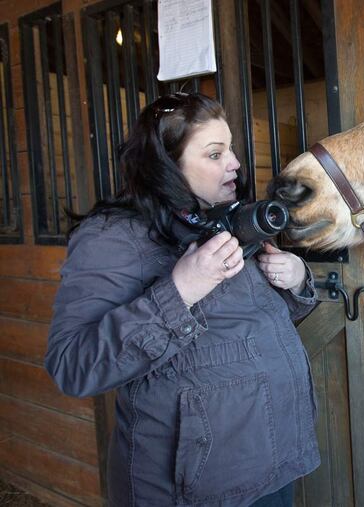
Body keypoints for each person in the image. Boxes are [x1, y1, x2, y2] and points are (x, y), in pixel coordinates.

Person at [45, 92, 319, 506]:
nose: (235, 164)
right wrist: (180, 291)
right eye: (214, 154)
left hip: (274, 459)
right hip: (193, 486)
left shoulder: (222, 217)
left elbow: (245, 327)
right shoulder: (111, 237)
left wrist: (296, 283)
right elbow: (73, 365)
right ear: (166, 166)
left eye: (231, 149)